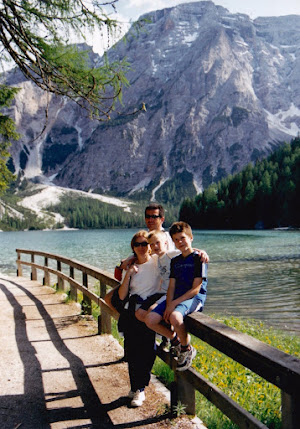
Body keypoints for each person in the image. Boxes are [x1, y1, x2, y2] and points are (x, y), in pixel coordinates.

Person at [145, 221, 207, 371]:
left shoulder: (199, 258)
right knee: (150, 319)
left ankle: (187, 349)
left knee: (175, 317)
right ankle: (176, 340)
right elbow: (171, 285)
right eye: (176, 240)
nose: (180, 242)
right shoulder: (175, 261)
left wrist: (173, 304)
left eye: (183, 238)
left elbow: (196, 289)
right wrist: (169, 302)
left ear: (191, 237)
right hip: (176, 297)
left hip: (194, 298)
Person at [112, 230, 161, 407]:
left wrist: (201, 253)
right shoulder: (131, 267)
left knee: (148, 351)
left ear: (150, 246)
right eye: (137, 244)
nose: (141, 247)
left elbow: (180, 252)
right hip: (132, 311)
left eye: (144, 244)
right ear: (133, 248)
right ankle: (136, 388)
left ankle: (141, 387)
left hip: (149, 311)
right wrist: (128, 274)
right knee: (132, 352)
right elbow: (122, 294)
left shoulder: (158, 262)